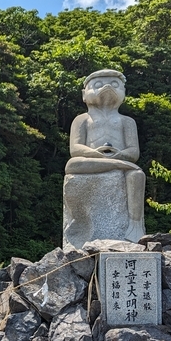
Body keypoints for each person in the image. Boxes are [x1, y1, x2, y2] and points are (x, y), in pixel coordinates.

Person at [65, 69, 145, 239]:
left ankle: (135, 223)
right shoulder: (82, 119)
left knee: (137, 174)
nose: (107, 87)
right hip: (92, 160)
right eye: (98, 85)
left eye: (115, 85)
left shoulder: (127, 121)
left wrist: (119, 155)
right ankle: (115, 165)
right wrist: (95, 153)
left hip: (120, 161)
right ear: (84, 95)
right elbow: (75, 148)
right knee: (72, 165)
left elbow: (133, 152)